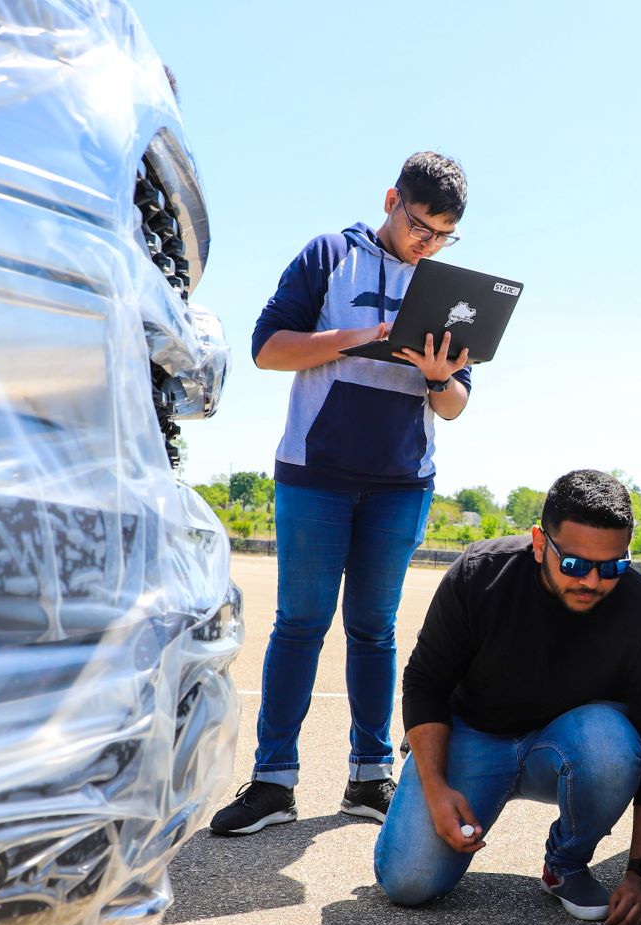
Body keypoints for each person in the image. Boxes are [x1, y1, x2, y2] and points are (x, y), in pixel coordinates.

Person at [211, 152, 473, 837]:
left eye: (442, 234)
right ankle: (273, 782)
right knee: (300, 624)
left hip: (401, 482)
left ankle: (368, 776)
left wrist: (441, 377)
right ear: (391, 199)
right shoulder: (329, 254)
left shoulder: (447, 288)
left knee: (374, 629)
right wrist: (365, 338)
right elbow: (269, 348)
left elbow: (454, 407)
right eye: (420, 225)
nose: (427, 243)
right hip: (315, 473)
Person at [374, 470, 641, 925]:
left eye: (613, 566)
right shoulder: (481, 574)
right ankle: (423, 767)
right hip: (474, 734)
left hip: (568, 745)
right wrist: (436, 788)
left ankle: (566, 862)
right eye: (576, 565)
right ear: (540, 543)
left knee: (612, 744)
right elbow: (425, 683)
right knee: (408, 882)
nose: (594, 581)